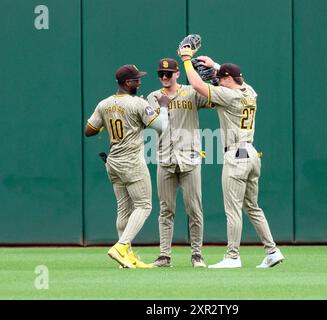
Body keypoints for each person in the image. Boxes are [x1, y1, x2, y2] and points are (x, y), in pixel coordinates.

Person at [177, 47, 284, 268]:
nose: (216, 80)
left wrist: (187, 59)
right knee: (253, 207)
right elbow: (229, 78)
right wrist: (215, 65)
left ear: (227, 79)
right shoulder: (249, 91)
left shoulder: (228, 95)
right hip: (253, 155)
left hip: (236, 155)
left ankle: (232, 256)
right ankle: (272, 251)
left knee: (233, 209)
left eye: (219, 78)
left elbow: (197, 85)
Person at [85, 64, 170, 269]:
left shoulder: (104, 103)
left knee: (124, 209)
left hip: (113, 162)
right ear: (126, 83)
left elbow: (89, 131)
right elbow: (162, 126)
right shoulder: (137, 104)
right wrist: (165, 105)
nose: (139, 82)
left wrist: (110, 122)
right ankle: (122, 246)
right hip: (131, 162)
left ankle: (126, 257)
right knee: (144, 206)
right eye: (136, 79)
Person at [147, 58, 211, 268]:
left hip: (189, 158)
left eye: (168, 73)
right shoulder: (154, 96)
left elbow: (215, 96)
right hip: (165, 158)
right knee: (166, 210)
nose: (164, 77)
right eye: (161, 74)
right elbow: (155, 127)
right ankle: (164, 256)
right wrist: (162, 109)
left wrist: (212, 71)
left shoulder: (191, 92)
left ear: (177, 74)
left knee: (194, 209)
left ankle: (197, 255)